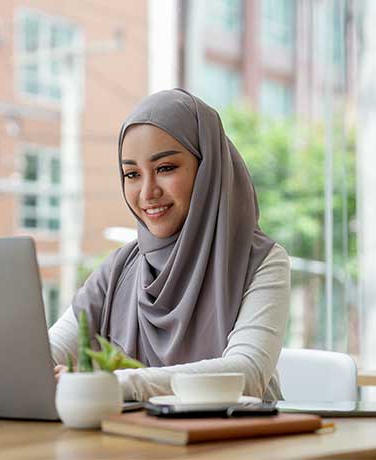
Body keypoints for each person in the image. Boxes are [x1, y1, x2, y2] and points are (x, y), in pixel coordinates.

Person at [49, 88, 290, 402]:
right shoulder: (120, 268)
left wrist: (116, 384)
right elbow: (46, 354)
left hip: (242, 443)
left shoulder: (261, 261)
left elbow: (246, 374)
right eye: (132, 174)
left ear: (207, 169)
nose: (147, 192)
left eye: (165, 169)